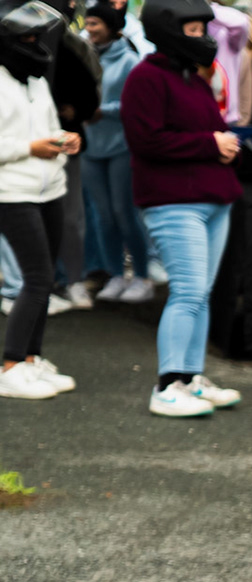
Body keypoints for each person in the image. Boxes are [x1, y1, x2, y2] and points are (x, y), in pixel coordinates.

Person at [122, 0, 244, 417]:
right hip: (174, 202)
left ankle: (190, 378)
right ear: (169, 32)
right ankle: (167, 386)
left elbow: (212, 130)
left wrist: (224, 144)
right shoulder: (146, 78)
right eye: (193, 31)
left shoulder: (193, 79)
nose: (202, 38)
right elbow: (146, 141)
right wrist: (211, 144)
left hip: (213, 199)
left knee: (199, 294)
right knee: (189, 292)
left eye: (201, 30)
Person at [0, 0, 80, 402]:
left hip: (50, 189)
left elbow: (49, 128)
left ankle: (31, 359)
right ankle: (11, 365)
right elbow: (19, 143)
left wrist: (65, 140)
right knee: (37, 277)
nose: (36, 45)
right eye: (28, 38)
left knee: (43, 280)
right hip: (12, 193)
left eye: (38, 37)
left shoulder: (36, 82)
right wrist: (29, 148)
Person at [81, 1, 152, 303]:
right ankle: (114, 274)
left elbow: (136, 104)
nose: (89, 29)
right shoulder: (84, 56)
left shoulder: (130, 61)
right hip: (90, 146)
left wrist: (103, 112)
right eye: (87, 23)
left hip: (121, 146)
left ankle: (143, 276)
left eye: (94, 23)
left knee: (125, 213)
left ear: (110, 27)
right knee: (103, 216)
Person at [50, 19, 99, 308]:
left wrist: (75, 110)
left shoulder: (69, 48)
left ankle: (72, 279)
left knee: (70, 217)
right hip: (26, 150)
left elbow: (90, 93)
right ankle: (40, 282)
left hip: (66, 145)